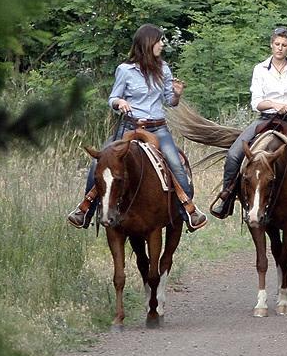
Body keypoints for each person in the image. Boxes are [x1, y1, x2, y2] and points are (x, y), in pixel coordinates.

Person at [67, 24, 207, 231]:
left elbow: (170, 101)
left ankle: (188, 211)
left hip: (158, 128)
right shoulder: (125, 70)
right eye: (159, 40)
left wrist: (176, 94)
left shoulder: (164, 69)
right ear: (148, 43)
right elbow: (113, 97)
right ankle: (85, 209)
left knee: (176, 164)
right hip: (129, 128)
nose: (162, 44)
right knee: (99, 164)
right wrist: (119, 103)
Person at [209, 26, 287, 227]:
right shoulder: (260, 69)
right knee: (233, 155)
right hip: (264, 119)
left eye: (284, 45)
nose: (280, 48)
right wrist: (275, 104)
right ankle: (226, 197)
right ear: (271, 45)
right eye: (277, 44)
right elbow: (256, 101)